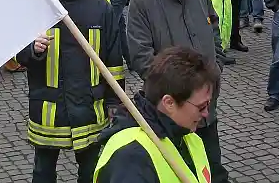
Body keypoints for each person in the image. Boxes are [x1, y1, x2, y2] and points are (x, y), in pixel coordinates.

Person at [17, 0, 124, 183]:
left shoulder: (100, 6)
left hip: (89, 108)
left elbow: (113, 59)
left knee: (91, 171)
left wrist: (114, 102)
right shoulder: (38, 5)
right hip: (49, 110)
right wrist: (31, 50)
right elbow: (16, 53)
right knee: (43, 172)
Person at [126, 0, 227, 183]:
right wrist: (177, 90)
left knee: (213, 169)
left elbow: (213, 26)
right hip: (173, 110)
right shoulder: (142, 0)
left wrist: (216, 64)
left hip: (205, 105)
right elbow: (141, 57)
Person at [94, 47, 220, 183]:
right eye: (201, 107)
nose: (206, 113)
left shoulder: (189, 138)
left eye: (209, 104)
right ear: (169, 103)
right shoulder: (131, 158)